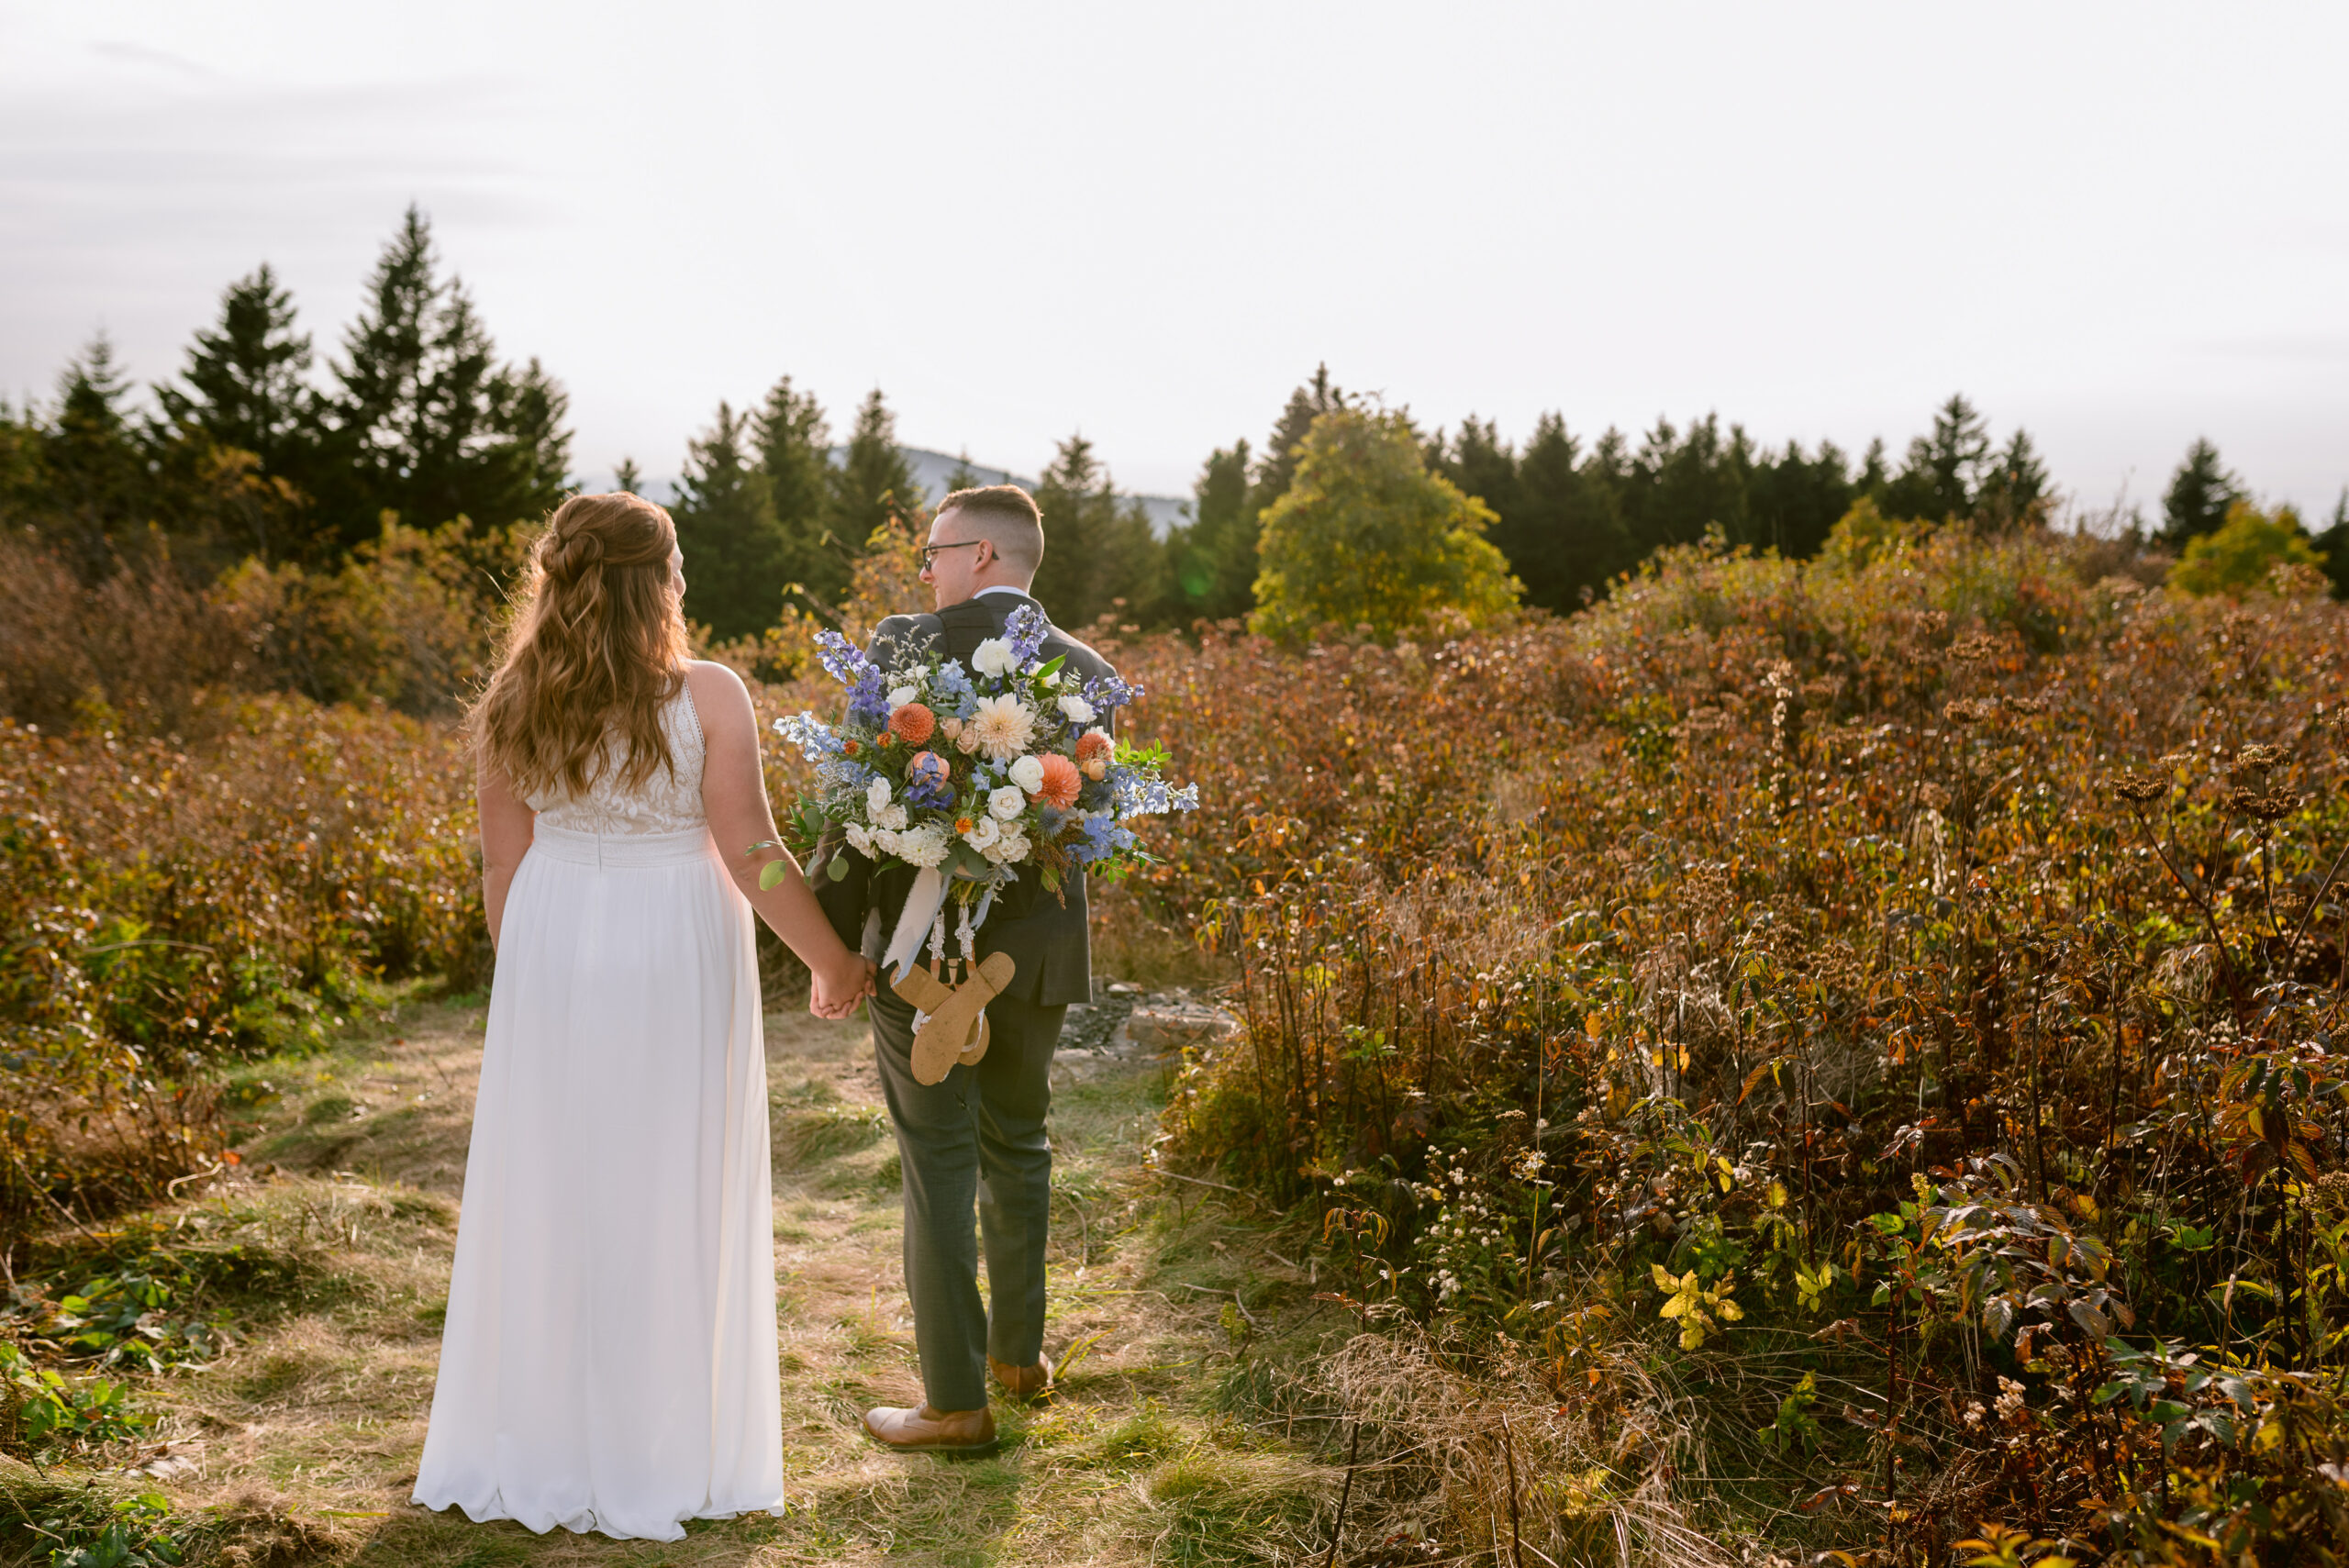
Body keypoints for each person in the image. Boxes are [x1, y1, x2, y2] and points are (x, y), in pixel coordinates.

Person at [413, 491, 874, 1540]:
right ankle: (661, 1442)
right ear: (659, 580)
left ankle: (543, 1435)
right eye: (677, 566)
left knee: (558, 1179)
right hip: (673, 936)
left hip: (553, 927)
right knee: (670, 1172)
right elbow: (753, 849)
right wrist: (833, 958)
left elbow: (501, 858)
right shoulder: (708, 692)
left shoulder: (513, 695)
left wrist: (530, 971)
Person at [816, 484, 1117, 1455]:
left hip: (922, 961)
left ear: (983, 555)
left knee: (935, 1163)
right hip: (1033, 963)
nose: (927, 568)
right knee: (1018, 1142)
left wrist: (834, 947)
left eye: (935, 549)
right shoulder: (1092, 673)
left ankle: (953, 1401)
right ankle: (1019, 1357)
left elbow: (852, 811)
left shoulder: (904, 647)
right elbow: (1091, 834)